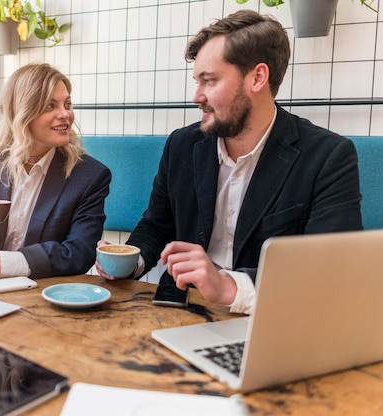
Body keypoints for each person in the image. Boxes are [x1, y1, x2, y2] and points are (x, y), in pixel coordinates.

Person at [96, 10, 363, 314]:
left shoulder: (328, 157)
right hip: (182, 309)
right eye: (197, 81)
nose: (196, 96)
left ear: (257, 78)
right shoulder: (181, 145)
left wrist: (227, 286)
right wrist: (130, 262)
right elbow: (156, 226)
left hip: (273, 317)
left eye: (209, 81)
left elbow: (329, 271)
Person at [0, 63, 111, 283]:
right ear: (21, 112)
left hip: (44, 291)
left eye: (67, 104)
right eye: (50, 105)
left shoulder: (90, 175)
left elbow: (79, 254)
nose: (65, 114)